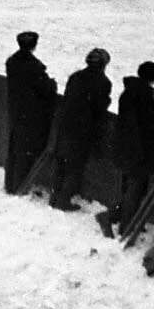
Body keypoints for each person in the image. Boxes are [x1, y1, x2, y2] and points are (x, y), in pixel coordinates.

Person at [105, 60, 154, 237]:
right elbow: (151, 126)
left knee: (128, 187)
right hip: (138, 152)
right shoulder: (146, 96)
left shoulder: (129, 91)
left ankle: (115, 217)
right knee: (136, 190)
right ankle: (126, 227)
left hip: (125, 147)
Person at [47, 48, 112, 212]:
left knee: (61, 162)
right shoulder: (103, 82)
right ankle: (63, 201)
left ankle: (54, 197)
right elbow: (99, 110)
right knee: (75, 167)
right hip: (83, 130)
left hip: (66, 125)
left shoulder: (75, 77)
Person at [4, 31, 57, 195]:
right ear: (34, 45)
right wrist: (52, 83)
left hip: (16, 110)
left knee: (15, 148)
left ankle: (10, 184)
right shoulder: (34, 67)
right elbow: (47, 88)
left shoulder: (11, 62)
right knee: (25, 152)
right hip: (31, 115)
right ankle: (19, 186)